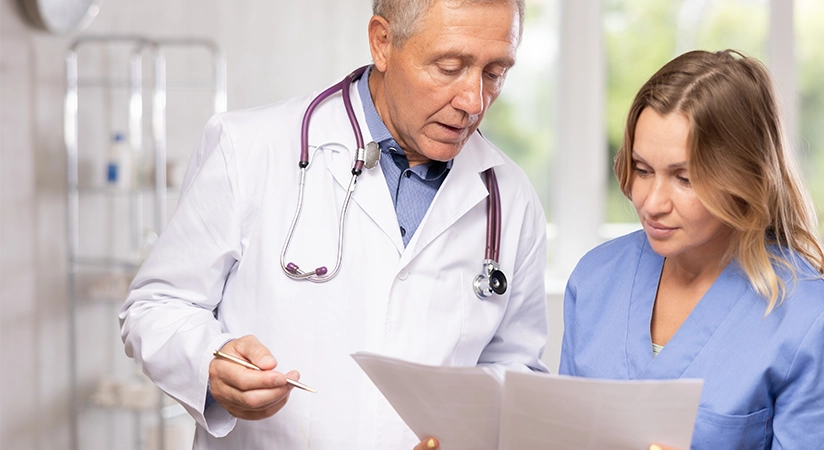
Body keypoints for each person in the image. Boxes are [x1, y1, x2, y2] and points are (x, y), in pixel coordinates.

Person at [119, 0, 548, 448]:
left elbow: (513, 367)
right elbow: (155, 305)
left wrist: (474, 434)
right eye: (448, 67)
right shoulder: (249, 148)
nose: (472, 101)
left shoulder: (511, 198)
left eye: (495, 72)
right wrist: (210, 363)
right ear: (383, 42)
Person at [559, 49, 824, 449]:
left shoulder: (818, 325)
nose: (652, 202)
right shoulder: (595, 281)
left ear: (742, 177)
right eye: (642, 170)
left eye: (685, 178)